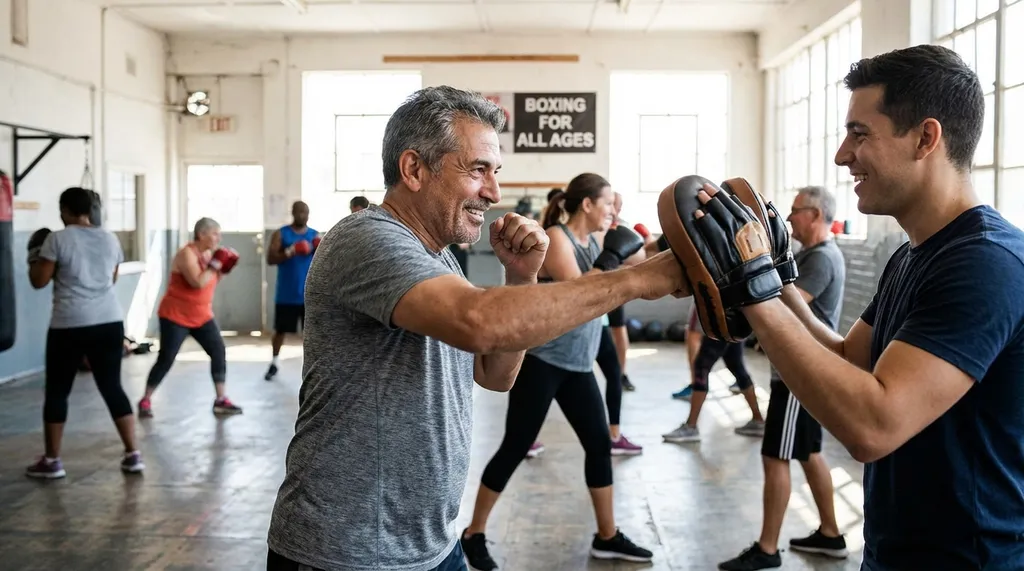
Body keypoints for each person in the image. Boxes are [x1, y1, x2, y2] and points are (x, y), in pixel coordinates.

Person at [266, 86, 685, 571]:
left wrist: (522, 277)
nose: (493, 192)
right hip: (347, 551)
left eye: (495, 172)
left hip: (433, 543)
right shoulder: (365, 239)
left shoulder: (438, 254)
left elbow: (495, 372)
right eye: (477, 170)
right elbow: (478, 324)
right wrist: (637, 278)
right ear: (414, 170)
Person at [696, 45, 1024, 570]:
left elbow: (872, 426)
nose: (842, 155)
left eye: (860, 133)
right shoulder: (912, 254)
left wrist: (751, 289)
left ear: (926, 138)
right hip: (896, 552)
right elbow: (850, 358)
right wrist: (774, 277)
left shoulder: (984, 264)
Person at [718, 186, 847, 571]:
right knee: (809, 454)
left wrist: (755, 263)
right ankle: (830, 534)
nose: (788, 219)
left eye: (795, 212)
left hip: (798, 377)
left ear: (816, 214)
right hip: (803, 373)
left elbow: (787, 306)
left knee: (775, 455)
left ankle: (768, 548)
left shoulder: (822, 258)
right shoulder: (813, 255)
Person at [24, 187, 144, 478]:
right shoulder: (109, 237)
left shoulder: (57, 238)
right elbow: (111, 279)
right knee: (112, 386)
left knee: (57, 391)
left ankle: (52, 461)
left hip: (69, 323)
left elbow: (39, 281)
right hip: (108, 320)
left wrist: (33, 257)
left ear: (64, 210)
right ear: (90, 211)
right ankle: (132, 454)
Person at [137, 218, 243, 418]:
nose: (218, 238)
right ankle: (146, 399)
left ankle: (221, 399)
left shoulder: (208, 254)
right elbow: (197, 282)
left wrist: (224, 269)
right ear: (201, 234)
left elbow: (211, 282)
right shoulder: (187, 253)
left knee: (218, 351)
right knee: (166, 358)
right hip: (175, 315)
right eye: (214, 234)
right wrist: (215, 266)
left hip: (201, 315)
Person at [265, 201, 320, 381]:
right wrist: (290, 251)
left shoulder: (314, 236)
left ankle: (313, 367)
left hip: (308, 294)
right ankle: (274, 362)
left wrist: (319, 249)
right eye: (299, 212)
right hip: (286, 293)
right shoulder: (281, 234)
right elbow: (270, 258)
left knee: (312, 334)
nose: (302, 215)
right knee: (280, 330)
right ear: (293, 213)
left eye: (305, 212)